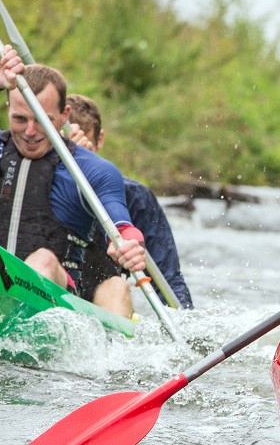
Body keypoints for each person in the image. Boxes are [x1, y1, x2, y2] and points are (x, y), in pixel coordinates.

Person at [0, 45, 146, 318]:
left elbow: (122, 226)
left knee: (48, 261)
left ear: (65, 115)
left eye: (43, 120)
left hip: (59, 306)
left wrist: (129, 244)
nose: (31, 132)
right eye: (20, 119)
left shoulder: (92, 169)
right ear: (8, 107)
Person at [65, 94, 194, 310]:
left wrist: (185, 325)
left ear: (100, 139)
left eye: (85, 147)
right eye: (71, 146)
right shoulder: (36, 179)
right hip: (52, 286)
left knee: (117, 287)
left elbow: (168, 278)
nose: (79, 156)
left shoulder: (136, 197)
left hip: (105, 299)